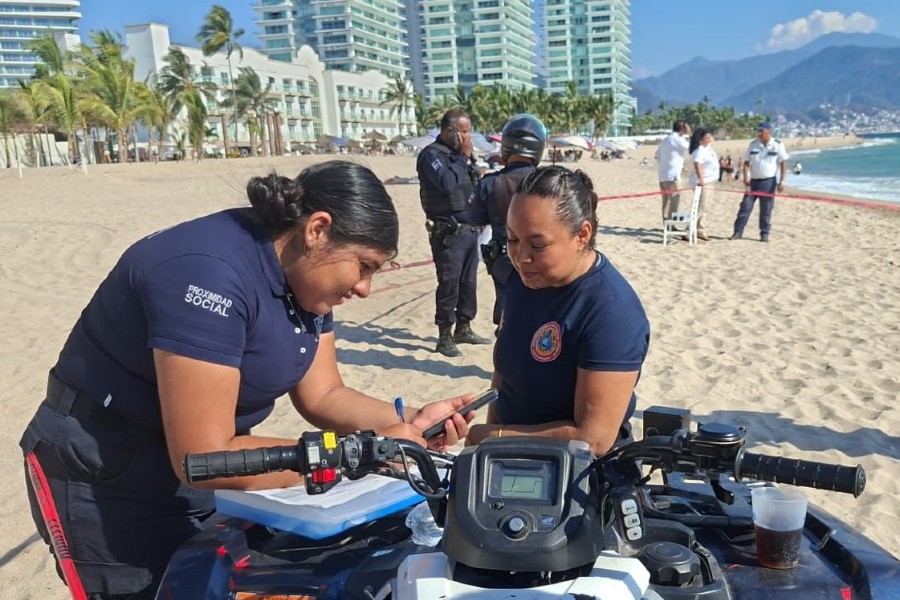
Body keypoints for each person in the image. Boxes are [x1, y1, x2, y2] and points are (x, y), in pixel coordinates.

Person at [19, 160, 477, 600]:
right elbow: (204, 454)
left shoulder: (305, 273)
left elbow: (323, 393)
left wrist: (411, 424)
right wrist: (365, 453)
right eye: (364, 266)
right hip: (106, 472)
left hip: (204, 465)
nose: (364, 289)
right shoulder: (207, 274)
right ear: (317, 230)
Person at [465, 166, 651, 456]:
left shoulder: (612, 312)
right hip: (507, 457)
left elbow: (594, 439)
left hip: (573, 468)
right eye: (512, 239)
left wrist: (495, 437)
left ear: (582, 235)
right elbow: (504, 377)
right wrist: (489, 446)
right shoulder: (524, 280)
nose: (521, 256)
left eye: (537, 245)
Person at [416, 108, 491, 357]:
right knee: (449, 283)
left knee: (468, 283)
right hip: (448, 232)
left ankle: (464, 327)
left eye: (469, 131)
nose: (468, 137)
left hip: (470, 230)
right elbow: (447, 183)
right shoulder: (431, 155)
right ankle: (445, 335)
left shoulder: (460, 157)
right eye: (464, 132)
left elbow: (471, 186)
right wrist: (463, 157)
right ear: (450, 131)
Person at [471, 113, 548, 332]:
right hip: (539, 256)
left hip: (502, 258)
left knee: (505, 308)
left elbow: (475, 218)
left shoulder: (490, 183)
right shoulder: (546, 180)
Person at [731, 121, 789, 242]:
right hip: (753, 182)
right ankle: (737, 232)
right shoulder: (753, 145)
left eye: (761, 131)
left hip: (768, 182)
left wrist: (782, 182)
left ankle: (764, 234)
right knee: (745, 207)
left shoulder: (777, 145)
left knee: (766, 209)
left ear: (769, 131)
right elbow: (746, 163)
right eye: (758, 131)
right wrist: (745, 178)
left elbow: (783, 163)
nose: (759, 133)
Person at [655, 120, 692, 222]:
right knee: (674, 200)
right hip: (673, 175)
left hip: (663, 175)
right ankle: (671, 225)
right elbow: (692, 148)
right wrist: (690, 133)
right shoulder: (677, 139)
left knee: (666, 201)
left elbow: (657, 156)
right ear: (683, 129)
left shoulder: (665, 139)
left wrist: (668, 164)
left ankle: (666, 224)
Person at [688, 128, 719, 242]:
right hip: (703, 182)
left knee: (706, 207)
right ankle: (688, 230)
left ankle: (700, 229)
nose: (710, 138)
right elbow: (698, 165)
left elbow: (712, 141)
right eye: (707, 137)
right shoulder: (699, 150)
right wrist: (700, 178)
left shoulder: (708, 148)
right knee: (700, 208)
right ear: (701, 140)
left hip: (710, 180)